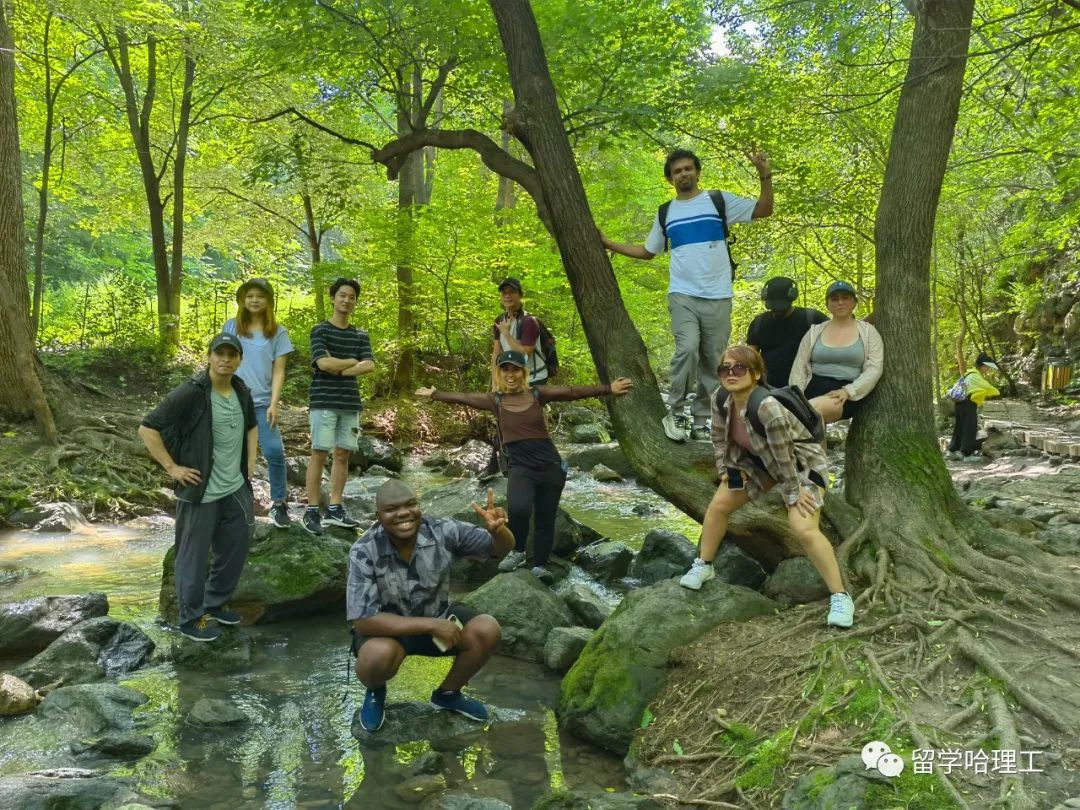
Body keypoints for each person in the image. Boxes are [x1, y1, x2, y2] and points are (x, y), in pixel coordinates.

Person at [600, 147, 773, 442]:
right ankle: (677, 411)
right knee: (688, 349)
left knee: (713, 360)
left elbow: (764, 210)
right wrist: (608, 243)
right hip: (683, 294)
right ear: (670, 178)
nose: (683, 174)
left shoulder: (718, 201)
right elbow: (648, 251)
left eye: (688, 169)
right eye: (677, 171)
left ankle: (702, 419)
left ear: (697, 172)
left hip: (718, 295)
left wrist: (764, 175)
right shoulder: (666, 212)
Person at [679, 344, 854, 628]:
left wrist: (794, 493)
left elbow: (785, 456)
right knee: (719, 505)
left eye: (740, 368)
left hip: (801, 465)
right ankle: (704, 566)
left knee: (803, 526)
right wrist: (726, 470)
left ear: (757, 374)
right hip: (759, 458)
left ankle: (840, 596)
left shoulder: (768, 407)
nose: (731, 373)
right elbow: (719, 439)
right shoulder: (720, 397)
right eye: (725, 368)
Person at [417, 351, 633, 579]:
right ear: (499, 373)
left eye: (515, 370)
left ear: (524, 373)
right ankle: (518, 551)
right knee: (519, 509)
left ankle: (540, 566)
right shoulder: (495, 400)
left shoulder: (537, 394)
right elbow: (464, 397)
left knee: (545, 520)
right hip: (520, 467)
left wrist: (608, 388)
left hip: (550, 466)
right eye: (505, 370)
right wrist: (436, 394)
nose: (510, 375)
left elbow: (571, 392)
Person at [348, 480, 515, 732]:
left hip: (438, 618)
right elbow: (363, 620)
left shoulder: (443, 529)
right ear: (378, 515)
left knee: (487, 629)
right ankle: (375, 691)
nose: (403, 513)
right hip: (389, 632)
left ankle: (448, 694)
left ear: (419, 506)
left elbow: (501, 549)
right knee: (375, 657)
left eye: (410, 504)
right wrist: (431, 625)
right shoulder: (363, 551)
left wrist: (498, 532)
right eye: (392, 509)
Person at [138, 333, 258, 642]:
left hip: (235, 485)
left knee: (238, 542)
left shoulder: (241, 390)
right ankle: (191, 619)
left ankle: (215, 603)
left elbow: (252, 426)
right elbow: (147, 428)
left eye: (232, 355)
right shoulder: (192, 392)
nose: (225, 360)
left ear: (239, 360)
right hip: (200, 489)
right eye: (220, 353)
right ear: (209, 356)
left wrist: (251, 462)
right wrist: (172, 468)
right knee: (192, 555)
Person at [303, 278, 374, 535]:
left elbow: (369, 365)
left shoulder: (360, 335)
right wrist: (352, 361)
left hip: (349, 402)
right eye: (342, 295)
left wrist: (340, 368)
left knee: (343, 455)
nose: (347, 300)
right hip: (323, 401)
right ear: (333, 298)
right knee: (319, 453)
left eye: (352, 297)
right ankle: (312, 510)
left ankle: (335, 508)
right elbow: (323, 364)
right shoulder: (320, 331)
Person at [223, 278, 294, 528]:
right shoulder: (231, 327)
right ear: (242, 299)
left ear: (269, 301)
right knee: (232, 453)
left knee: (274, 452)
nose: (254, 300)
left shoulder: (278, 332)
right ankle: (233, 501)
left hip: (263, 403)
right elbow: (221, 361)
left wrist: (275, 403)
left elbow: (279, 370)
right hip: (232, 400)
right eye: (249, 296)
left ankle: (279, 503)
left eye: (260, 296)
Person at [789, 280, 883, 424]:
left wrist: (848, 391)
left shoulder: (868, 332)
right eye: (834, 299)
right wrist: (796, 394)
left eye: (845, 298)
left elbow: (875, 368)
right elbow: (799, 366)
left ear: (854, 302)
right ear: (827, 304)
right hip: (812, 388)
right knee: (797, 412)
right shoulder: (815, 332)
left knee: (806, 413)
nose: (840, 302)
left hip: (846, 394)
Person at [746, 276, 828, 389]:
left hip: (806, 386)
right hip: (768, 387)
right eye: (773, 307)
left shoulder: (811, 318)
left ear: (792, 297)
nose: (776, 311)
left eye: (781, 307)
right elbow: (750, 357)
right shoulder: (759, 323)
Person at [491, 277, 549, 388]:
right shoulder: (499, 321)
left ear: (520, 295)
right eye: (504, 293)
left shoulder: (529, 321)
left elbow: (525, 354)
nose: (507, 296)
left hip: (534, 378)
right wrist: (495, 383)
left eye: (512, 292)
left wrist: (507, 334)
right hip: (511, 378)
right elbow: (496, 354)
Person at [947, 352, 1000, 461]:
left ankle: (952, 451)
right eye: (988, 367)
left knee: (959, 428)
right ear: (982, 366)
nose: (988, 369)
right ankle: (967, 454)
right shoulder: (975, 376)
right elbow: (991, 389)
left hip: (959, 403)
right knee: (970, 428)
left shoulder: (968, 374)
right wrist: (995, 391)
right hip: (968, 403)